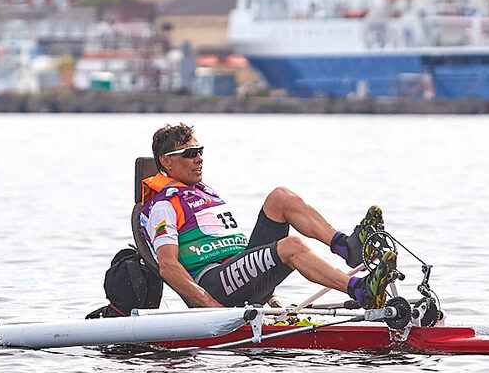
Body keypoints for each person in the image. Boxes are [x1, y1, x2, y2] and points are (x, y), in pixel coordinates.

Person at [137, 122, 395, 310]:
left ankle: (346, 247)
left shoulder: (205, 192)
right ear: (167, 162)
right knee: (291, 247)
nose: (199, 159)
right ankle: (360, 290)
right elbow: (169, 267)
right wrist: (210, 305)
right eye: (190, 154)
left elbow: (250, 266)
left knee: (280, 197)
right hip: (214, 282)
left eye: (200, 151)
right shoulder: (164, 205)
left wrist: (271, 301)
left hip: (238, 269)